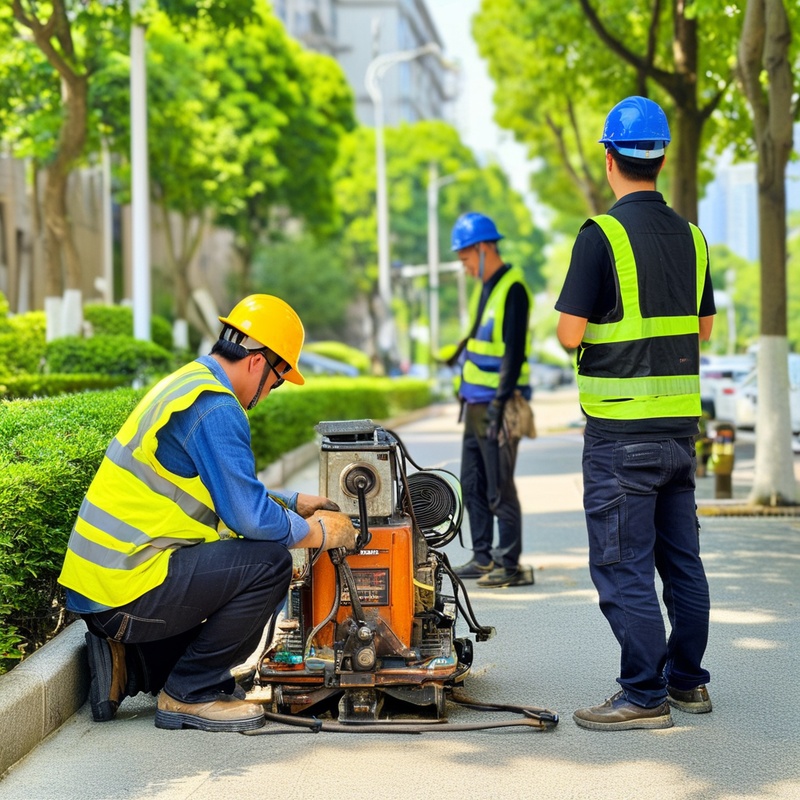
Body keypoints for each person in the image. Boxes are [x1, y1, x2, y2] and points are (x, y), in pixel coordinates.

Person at [58, 294, 358, 733]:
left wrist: (290, 502)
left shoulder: (190, 382)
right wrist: (316, 532)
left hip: (105, 587)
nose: (267, 394)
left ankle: (134, 662)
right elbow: (250, 519)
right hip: (128, 591)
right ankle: (189, 695)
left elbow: (216, 485)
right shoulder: (217, 407)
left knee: (243, 572)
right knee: (269, 563)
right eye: (276, 382)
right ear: (259, 363)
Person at [555, 96, 716, 731]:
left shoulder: (602, 236)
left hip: (621, 438)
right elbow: (701, 329)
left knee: (623, 565)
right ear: (664, 157)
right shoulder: (695, 239)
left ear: (609, 155)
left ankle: (644, 694)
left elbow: (570, 334)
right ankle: (689, 682)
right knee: (682, 564)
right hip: (679, 435)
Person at [449, 212, 535, 589]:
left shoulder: (513, 288)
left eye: (466, 259)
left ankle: (510, 562)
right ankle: (483, 557)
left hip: (499, 403)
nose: (465, 268)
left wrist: (499, 405)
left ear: (483, 249)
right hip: (475, 402)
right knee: (473, 481)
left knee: (499, 485)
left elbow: (513, 354)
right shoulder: (486, 287)